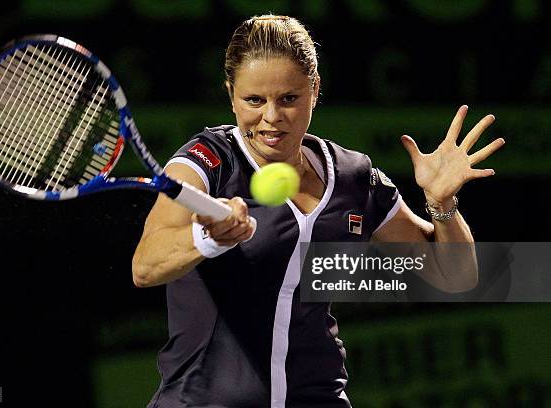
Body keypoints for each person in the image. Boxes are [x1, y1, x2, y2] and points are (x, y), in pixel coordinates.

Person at [132, 14, 505, 408]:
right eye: (253, 100)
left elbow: (455, 278)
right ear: (231, 95)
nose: (271, 117)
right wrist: (206, 238)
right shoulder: (206, 161)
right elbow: (145, 265)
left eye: (288, 99)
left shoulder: (352, 176)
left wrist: (441, 204)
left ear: (314, 90)